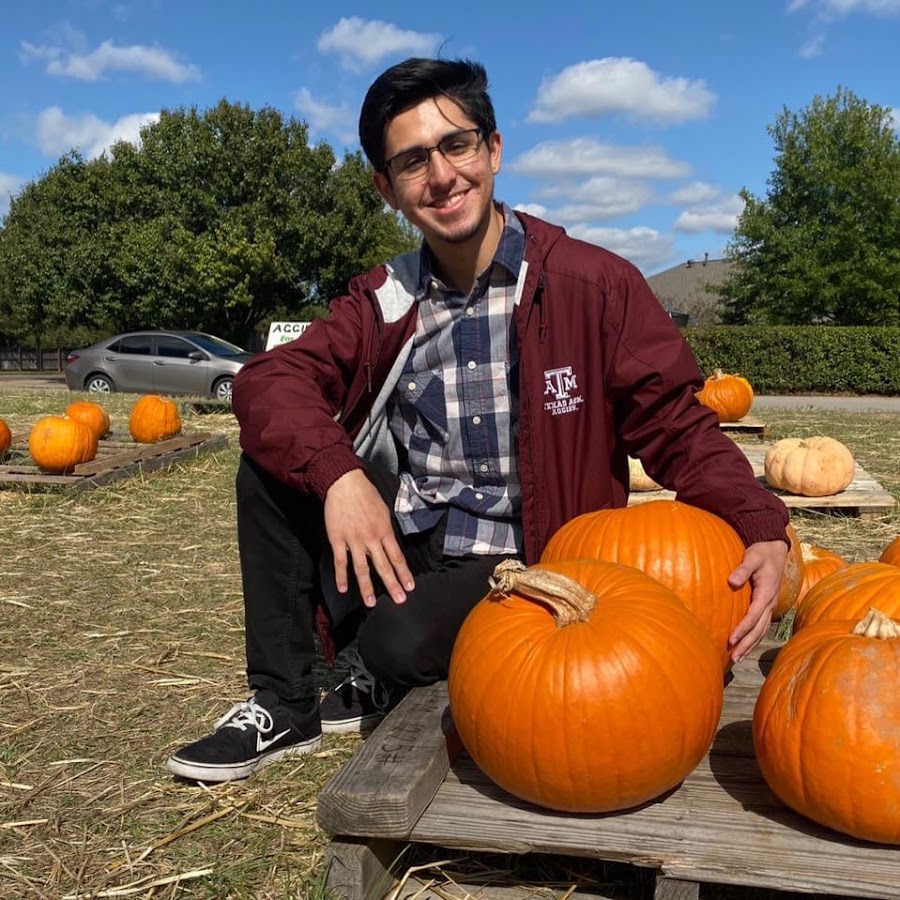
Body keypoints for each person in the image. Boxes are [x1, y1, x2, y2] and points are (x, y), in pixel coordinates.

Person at [166, 57, 789, 783]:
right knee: (272, 469)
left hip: (525, 554)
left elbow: (675, 424)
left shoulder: (591, 285)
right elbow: (271, 381)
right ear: (386, 188)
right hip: (410, 537)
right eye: (412, 161)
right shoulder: (385, 301)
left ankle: (375, 666)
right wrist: (339, 477)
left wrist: (759, 520)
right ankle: (286, 702)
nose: (441, 175)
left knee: (395, 641)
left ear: (493, 150)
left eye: (456, 145)